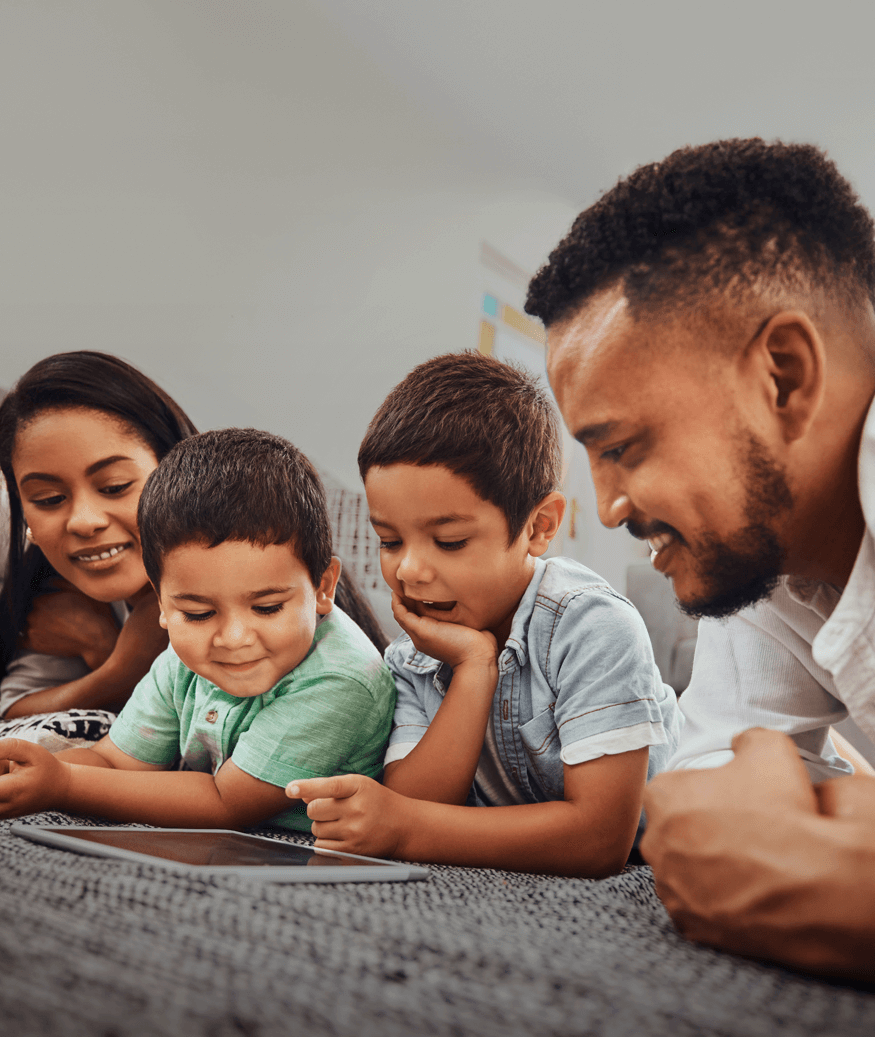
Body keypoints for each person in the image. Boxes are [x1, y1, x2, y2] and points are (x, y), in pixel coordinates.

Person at [524, 137, 875, 991]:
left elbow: (753, 843)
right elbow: (706, 803)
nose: (606, 508)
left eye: (622, 446)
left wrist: (850, 871)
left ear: (782, 378)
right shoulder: (759, 556)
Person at [0, 429, 396, 829]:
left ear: (323, 587)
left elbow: (226, 803)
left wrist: (60, 785)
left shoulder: (340, 678)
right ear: (161, 603)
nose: (233, 638)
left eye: (267, 608)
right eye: (198, 614)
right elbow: (115, 761)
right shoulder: (181, 662)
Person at [286, 353, 680, 876]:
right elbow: (414, 801)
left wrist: (405, 827)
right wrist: (474, 668)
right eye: (390, 540)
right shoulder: (412, 657)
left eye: (450, 541)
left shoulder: (593, 627)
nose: (409, 570)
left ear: (539, 527)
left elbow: (601, 839)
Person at [0, 351, 196, 753]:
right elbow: (18, 709)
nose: (83, 521)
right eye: (48, 498)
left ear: (177, 471)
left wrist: (119, 657)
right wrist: (115, 666)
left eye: (114, 486)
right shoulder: (65, 594)